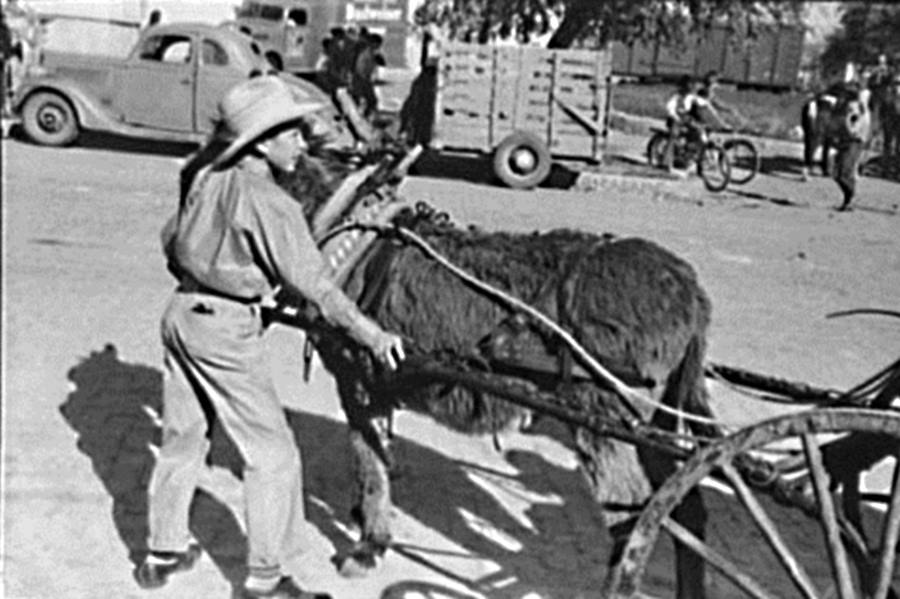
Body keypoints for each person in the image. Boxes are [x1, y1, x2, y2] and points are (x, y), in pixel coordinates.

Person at [137, 75, 406, 599]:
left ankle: (161, 553)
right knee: (275, 454)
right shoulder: (272, 203)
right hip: (224, 330)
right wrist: (373, 336)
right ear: (261, 141)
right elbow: (318, 288)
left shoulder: (209, 176)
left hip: (180, 314)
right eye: (291, 134)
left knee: (183, 438)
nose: (302, 145)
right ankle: (266, 580)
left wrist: (215, 271)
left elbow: (170, 239)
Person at [833, 83, 871, 211]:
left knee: (842, 173)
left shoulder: (852, 106)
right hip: (853, 140)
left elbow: (852, 120)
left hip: (852, 141)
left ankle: (850, 197)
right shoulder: (859, 107)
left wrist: (851, 132)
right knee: (842, 172)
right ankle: (848, 199)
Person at [663, 75, 703, 171]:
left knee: (698, 132)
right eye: (689, 85)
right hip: (675, 119)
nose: (691, 87)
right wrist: (676, 117)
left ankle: (691, 157)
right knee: (674, 135)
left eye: (692, 85)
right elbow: (669, 108)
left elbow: (701, 102)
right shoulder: (677, 96)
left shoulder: (690, 96)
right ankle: (667, 163)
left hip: (685, 119)